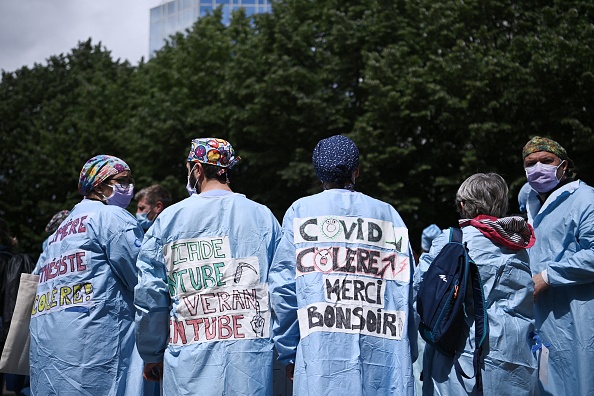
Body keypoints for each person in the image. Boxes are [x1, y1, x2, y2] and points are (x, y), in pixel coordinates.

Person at [269, 135, 417, 395]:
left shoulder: (301, 212)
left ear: (318, 172)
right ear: (356, 171)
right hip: (384, 363)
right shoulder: (390, 216)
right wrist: (406, 352)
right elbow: (408, 292)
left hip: (320, 360)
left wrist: (288, 351)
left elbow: (284, 290)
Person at [134, 137, 281, 395]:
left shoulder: (169, 219)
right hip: (249, 363)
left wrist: (151, 353)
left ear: (198, 169)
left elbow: (151, 295)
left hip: (188, 366)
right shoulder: (263, 216)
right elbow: (282, 288)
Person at [29, 155, 149, 395]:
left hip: (53, 354)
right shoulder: (111, 217)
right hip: (97, 346)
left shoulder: (59, 233)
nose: (129, 187)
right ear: (98, 185)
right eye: (122, 180)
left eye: (130, 180)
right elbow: (144, 279)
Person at [417, 173, 538, 395]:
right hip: (517, 354)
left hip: (464, 356)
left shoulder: (454, 240)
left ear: (463, 205)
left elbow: (419, 288)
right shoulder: (519, 246)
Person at [522, 136, 594, 395]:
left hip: (578, 316)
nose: (538, 168)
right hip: (542, 320)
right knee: (546, 382)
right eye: (531, 163)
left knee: (581, 381)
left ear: (563, 166)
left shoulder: (585, 199)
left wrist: (548, 277)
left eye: (546, 160)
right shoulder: (530, 204)